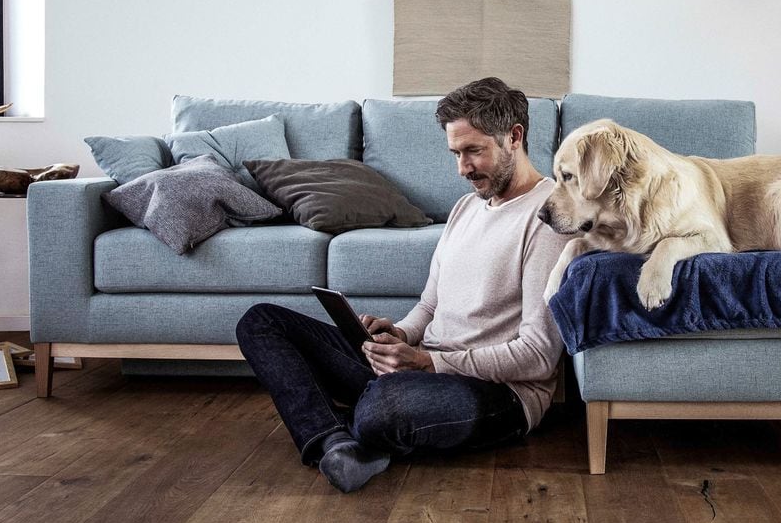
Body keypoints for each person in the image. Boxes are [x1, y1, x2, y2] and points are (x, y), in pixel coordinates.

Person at [236, 77, 572, 493]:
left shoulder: (549, 218)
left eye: (473, 151)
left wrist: (427, 363)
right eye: (455, 153)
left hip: (498, 393)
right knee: (261, 321)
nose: (462, 168)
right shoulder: (466, 207)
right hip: (421, 367)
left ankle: (340, 426)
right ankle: (336, 441)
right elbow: (431, 305)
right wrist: (399, 333)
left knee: (383, 409)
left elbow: (538, 357)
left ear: (514, 137)